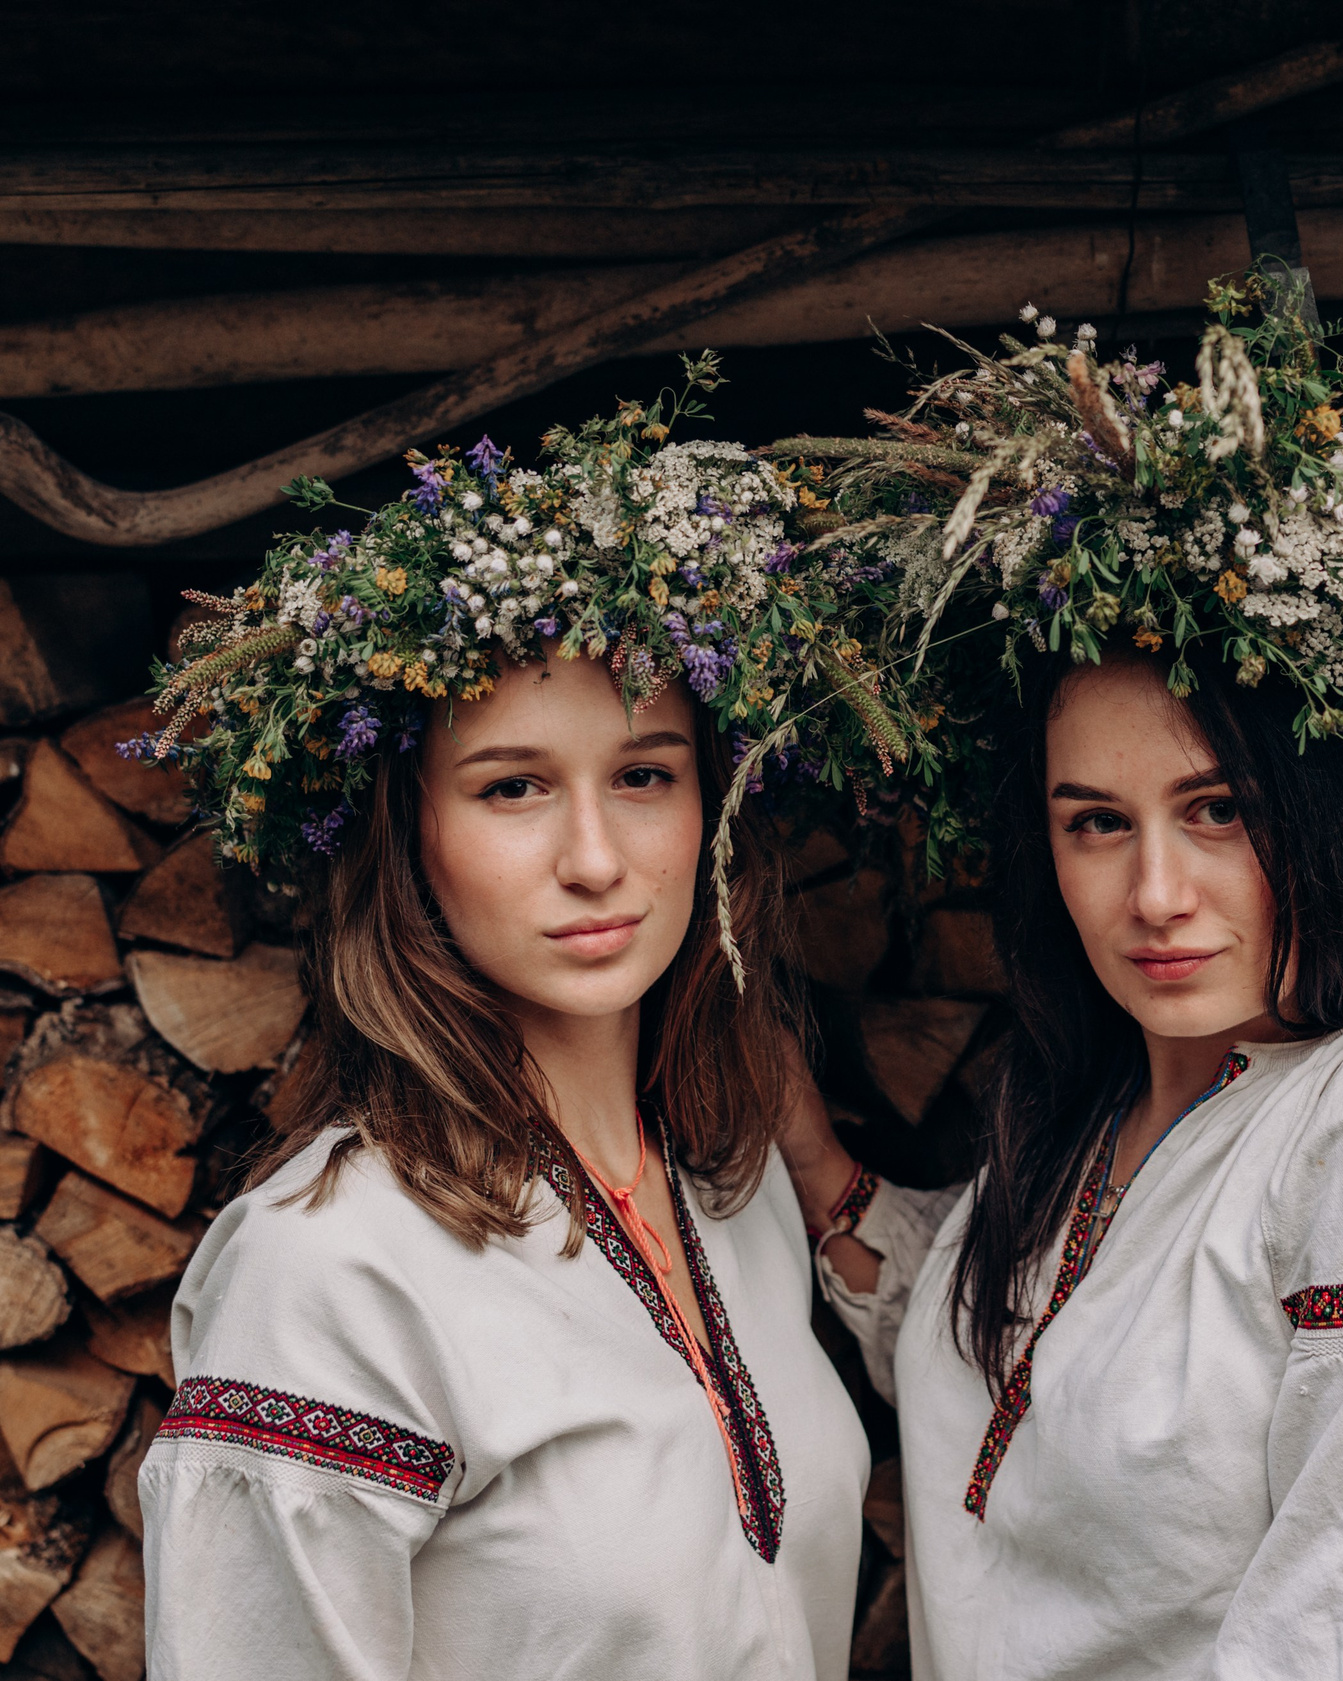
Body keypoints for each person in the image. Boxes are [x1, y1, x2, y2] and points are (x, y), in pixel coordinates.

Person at [135, 417, 910, 1679]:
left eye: (646, 775)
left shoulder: (732, 1184)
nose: (596, 858)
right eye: (513, 786)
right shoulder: (330, 1272)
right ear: (408, 833)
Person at [784, 648, 1343, 1679]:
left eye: (1218, 810)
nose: (1155, 894)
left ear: (1327, 811)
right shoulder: (1092, 1114)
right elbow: (1015, 1382)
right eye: (1097, 822)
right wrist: (805, 1150)